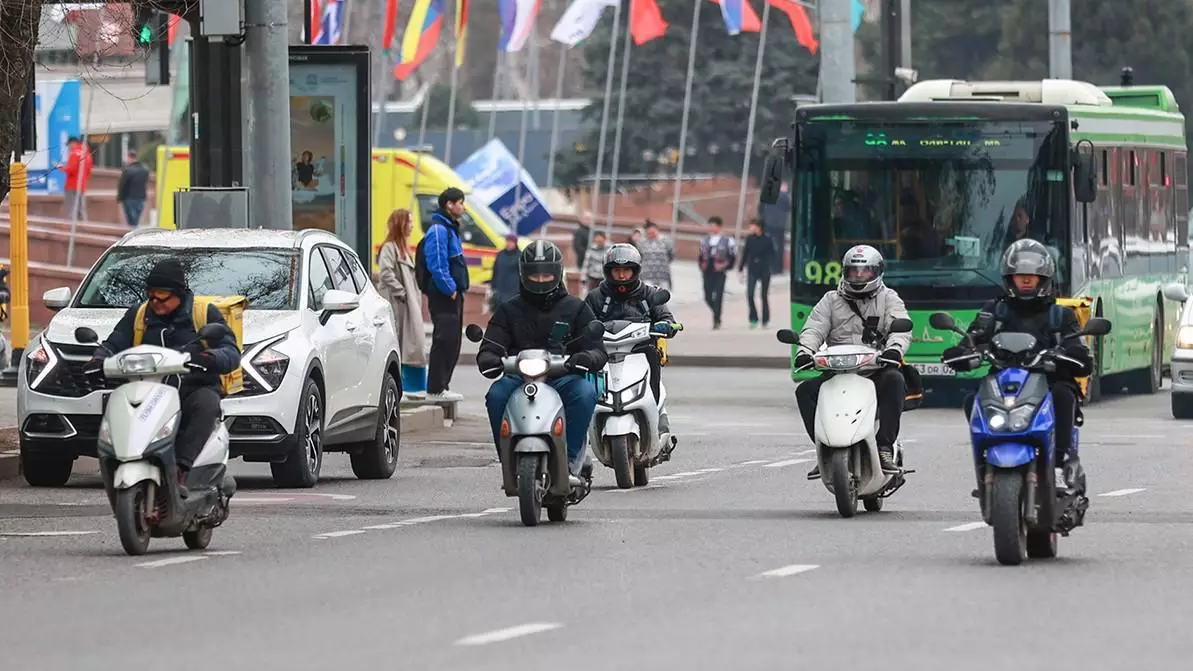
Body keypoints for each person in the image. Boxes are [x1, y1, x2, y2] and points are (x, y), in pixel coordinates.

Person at [942, 239, 1090, 492]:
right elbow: (973, 338)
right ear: (1009, 279)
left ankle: (1060, 462)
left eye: (1031, 277)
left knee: (1064, 394)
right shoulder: (995, 311)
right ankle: (985, 464)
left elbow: (1080, 353)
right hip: (1003, 380)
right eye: (1020, 276)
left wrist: (1069, 356)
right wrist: (962, 352)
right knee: (973, 400)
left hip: (1047, 380)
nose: (1025, 281)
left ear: (1043, 279)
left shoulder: (1060, 315)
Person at [84, 260, 240, 494]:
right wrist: (98, 359)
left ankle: (182, 470)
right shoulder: (138, 315)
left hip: (191, 389)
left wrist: (209, 358)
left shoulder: (203, 313)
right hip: (147, 389)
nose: (155, 302)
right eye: (151, 295)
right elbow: (114, 342)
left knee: (206, 403)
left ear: (179, 294)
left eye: (162, 296)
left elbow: (231, 351)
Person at [478, 240, 608, 480]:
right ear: (523, 274)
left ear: (557, 274)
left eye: (546, 274)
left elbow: (598, 350)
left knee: (585, 393)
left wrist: (585, 357)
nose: (540, 280)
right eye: (534, 275)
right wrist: (489, 357)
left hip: (562, 376)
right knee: (496, 395)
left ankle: (569, 460)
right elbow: (491, 344)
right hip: (519, 377)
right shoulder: (508, 310)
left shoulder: (576, 308)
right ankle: (507, 457)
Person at [795, 245, 910, 478]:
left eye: (865, 271)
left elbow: (901, 327)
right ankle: (824, 451)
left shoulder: (889, 298)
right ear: (844, 272)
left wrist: (894, 350)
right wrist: (804, 352)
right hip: (837, 371)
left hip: (874, 369)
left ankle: (884, 447)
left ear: (877, 272)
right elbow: (814, 329)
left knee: (895, 380)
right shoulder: (830, 300)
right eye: (853, 271)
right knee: (804, 391)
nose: (858, 276)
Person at [584, 244, 678, 433]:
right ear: (607, 271)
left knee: (652, 354)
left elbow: (666, 317)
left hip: (640, 349)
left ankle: (656, 406)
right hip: (605, 352)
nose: (621, 276)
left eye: (626, 270)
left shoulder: (649, 293)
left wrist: (665, 325)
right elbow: (582, 322)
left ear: (635, 270)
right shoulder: (595, 297)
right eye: (617, 270)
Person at [421, 187, 470, 402]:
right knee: (445, 340)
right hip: (443, 295)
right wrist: (450, 289)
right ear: (449, 205)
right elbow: (437, 264)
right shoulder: (439, 230)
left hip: (452, 294)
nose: (463, 206)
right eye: (460, 202)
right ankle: (435, 389)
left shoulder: (450, 228)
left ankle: (443, 386)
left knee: (453, 341)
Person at [377, 209, 428, 399]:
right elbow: (385, 273)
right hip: (398, 303)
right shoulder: (390, 247)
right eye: (410, 222)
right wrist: (402, 293)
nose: (413, 226)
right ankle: (400, 386)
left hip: (407, 303)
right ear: (401, 224)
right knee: (399, 341)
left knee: (412, 342)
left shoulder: (403, 247)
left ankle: (410, 386)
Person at [698, 216, 737, 329]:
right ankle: (717, 313)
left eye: (713, 225)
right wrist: (701, 266)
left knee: (719, 295)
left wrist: (727, 266)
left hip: (720, 270)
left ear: (718, 226)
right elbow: (700, 255)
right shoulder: (704, 240)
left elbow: (732, 255)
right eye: (710, 225)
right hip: (707, 270)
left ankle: (716, 320)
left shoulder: (728, 240)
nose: (711, 228)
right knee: (708, 296)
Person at [737, 218, 776, 328]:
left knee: (763, 295)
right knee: (749, 294)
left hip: (764, 270)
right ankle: (753, 318)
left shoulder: (768, 239)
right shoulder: (750, 239)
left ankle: (765, 320)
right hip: (752, 269)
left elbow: (772, 255)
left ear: (759, 227)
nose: (750, 228)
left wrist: (770, 266)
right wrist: (740, 268)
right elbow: (745, 254)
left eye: (752, 225)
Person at [59, 136, 92, 222]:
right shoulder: (87, 154)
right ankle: (85, 227)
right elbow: (89, 171)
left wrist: (61, 167)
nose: (69, 147)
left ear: (73, 143)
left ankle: (72, 228)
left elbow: (71, 169)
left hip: (71, 185)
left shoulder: (74, 153)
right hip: (82, 185)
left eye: (69, 145)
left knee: (72, 208)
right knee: (81, 209)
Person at [638, 220, 675, 291]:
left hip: (663, 275)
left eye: (653, 232)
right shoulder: (642, 243)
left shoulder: (666, 241)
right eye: (649, 233)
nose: (651, 235)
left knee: (663, 298)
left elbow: (671, 255)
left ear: (657, 231)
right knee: (648, 296)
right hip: (647, 275)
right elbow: (639, 258)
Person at [117, 151, 150, 228]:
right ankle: (135, 231)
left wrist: (119, 198)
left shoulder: (128, 170)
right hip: (141, 198)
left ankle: (133, 234)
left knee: (131, 221)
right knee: (136, 219)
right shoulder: (144, 169)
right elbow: (146, 182)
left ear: (130, 157)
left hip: (129, 198)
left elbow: (122, 185)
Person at [489, 234, 522, 310]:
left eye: (511, 242)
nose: (509, 244)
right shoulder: (500, 254)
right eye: (508, 241)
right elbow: (495, 270)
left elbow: (523, 274)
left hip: (513, 290)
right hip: (499, 290)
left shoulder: (520, 256)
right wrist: (492, 286)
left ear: (515, 243)